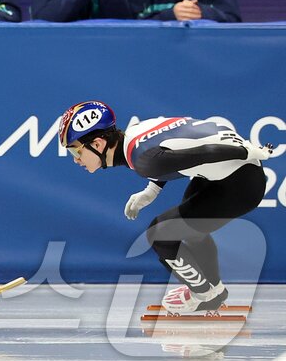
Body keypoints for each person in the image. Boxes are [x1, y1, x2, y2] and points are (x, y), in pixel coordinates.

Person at [57, 101, 273, 313]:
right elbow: (174, 147)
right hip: (225, 174)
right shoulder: (135, 136)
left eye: (76, 152)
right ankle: (213, 290)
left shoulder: (143, 160)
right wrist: (152, 190)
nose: (76, 160)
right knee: (191, 229)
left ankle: (204, 296)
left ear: (97, 144)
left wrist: (247, 152)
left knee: (160, 235)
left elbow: (205, 152)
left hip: (241, 183)